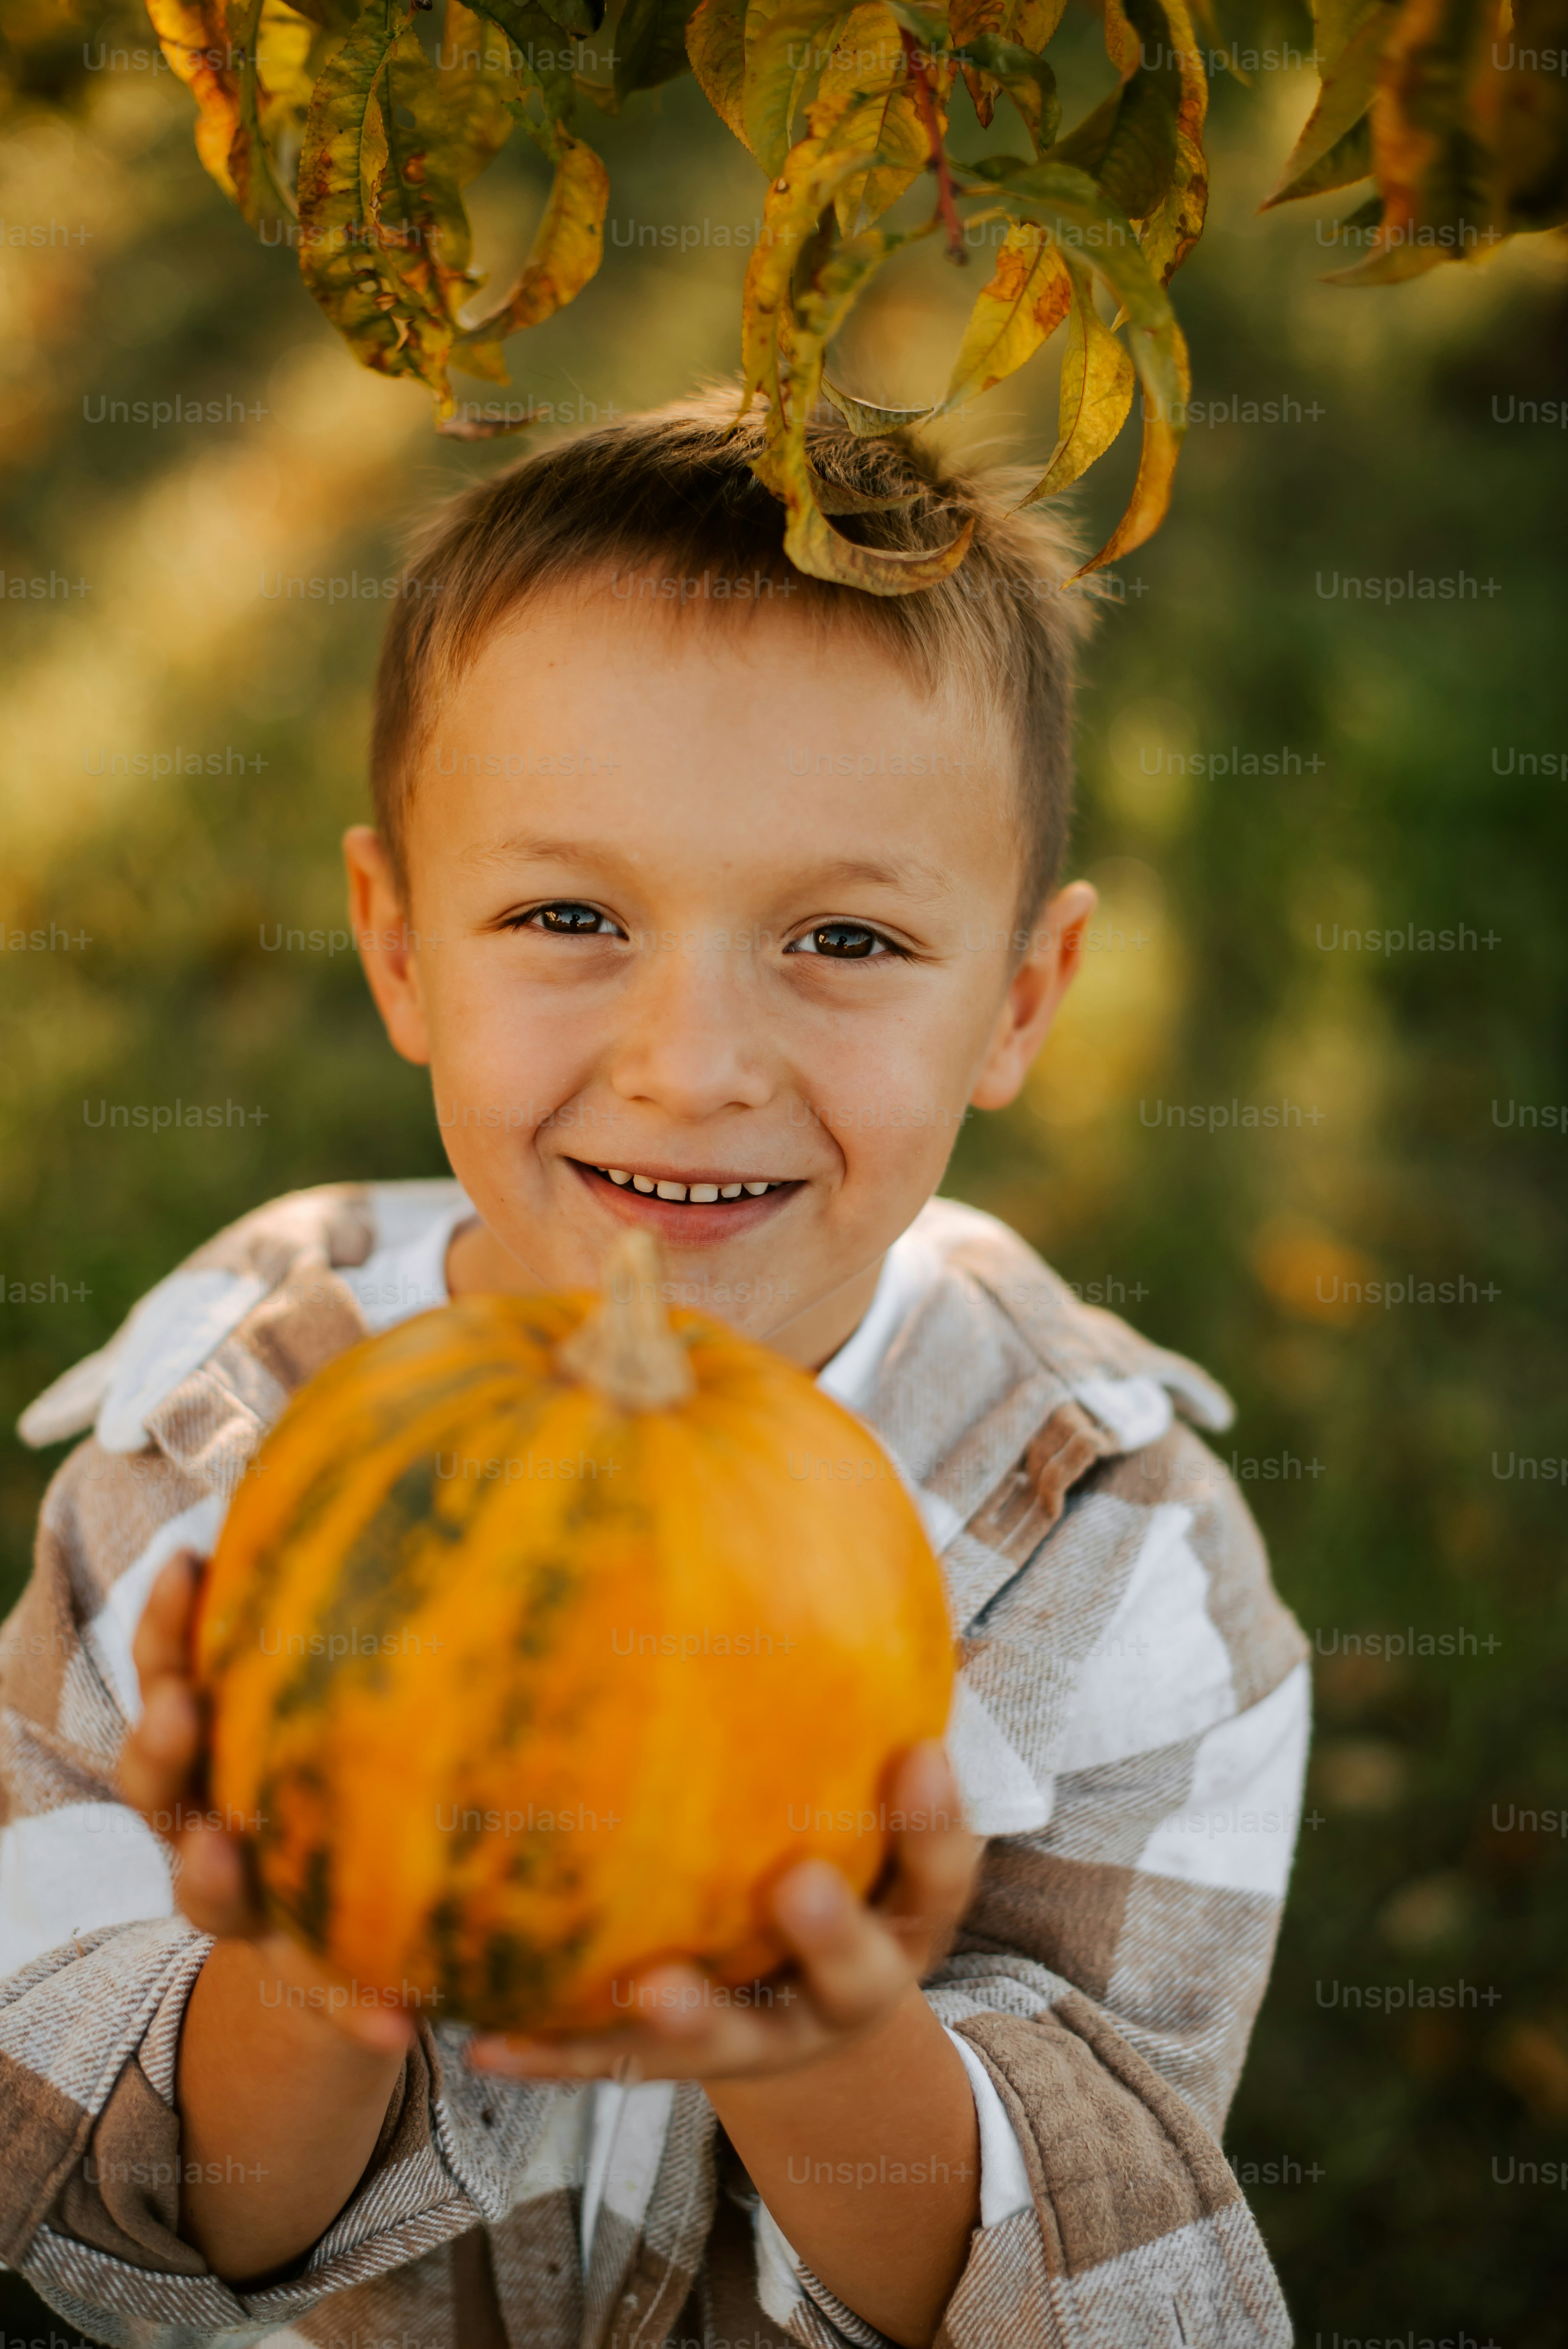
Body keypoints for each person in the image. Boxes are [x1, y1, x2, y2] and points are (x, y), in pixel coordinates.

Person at [1, 391, 1308, 2349]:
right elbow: (153, 2230)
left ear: (1019, 1000)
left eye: (845, 938)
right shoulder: (229, 1450)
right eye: (571, 917)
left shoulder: (1113, 1566)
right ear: (398, 945)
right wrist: (292, 1966)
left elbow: (1102, 2297)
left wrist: (815, 2046)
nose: (690, 1061)